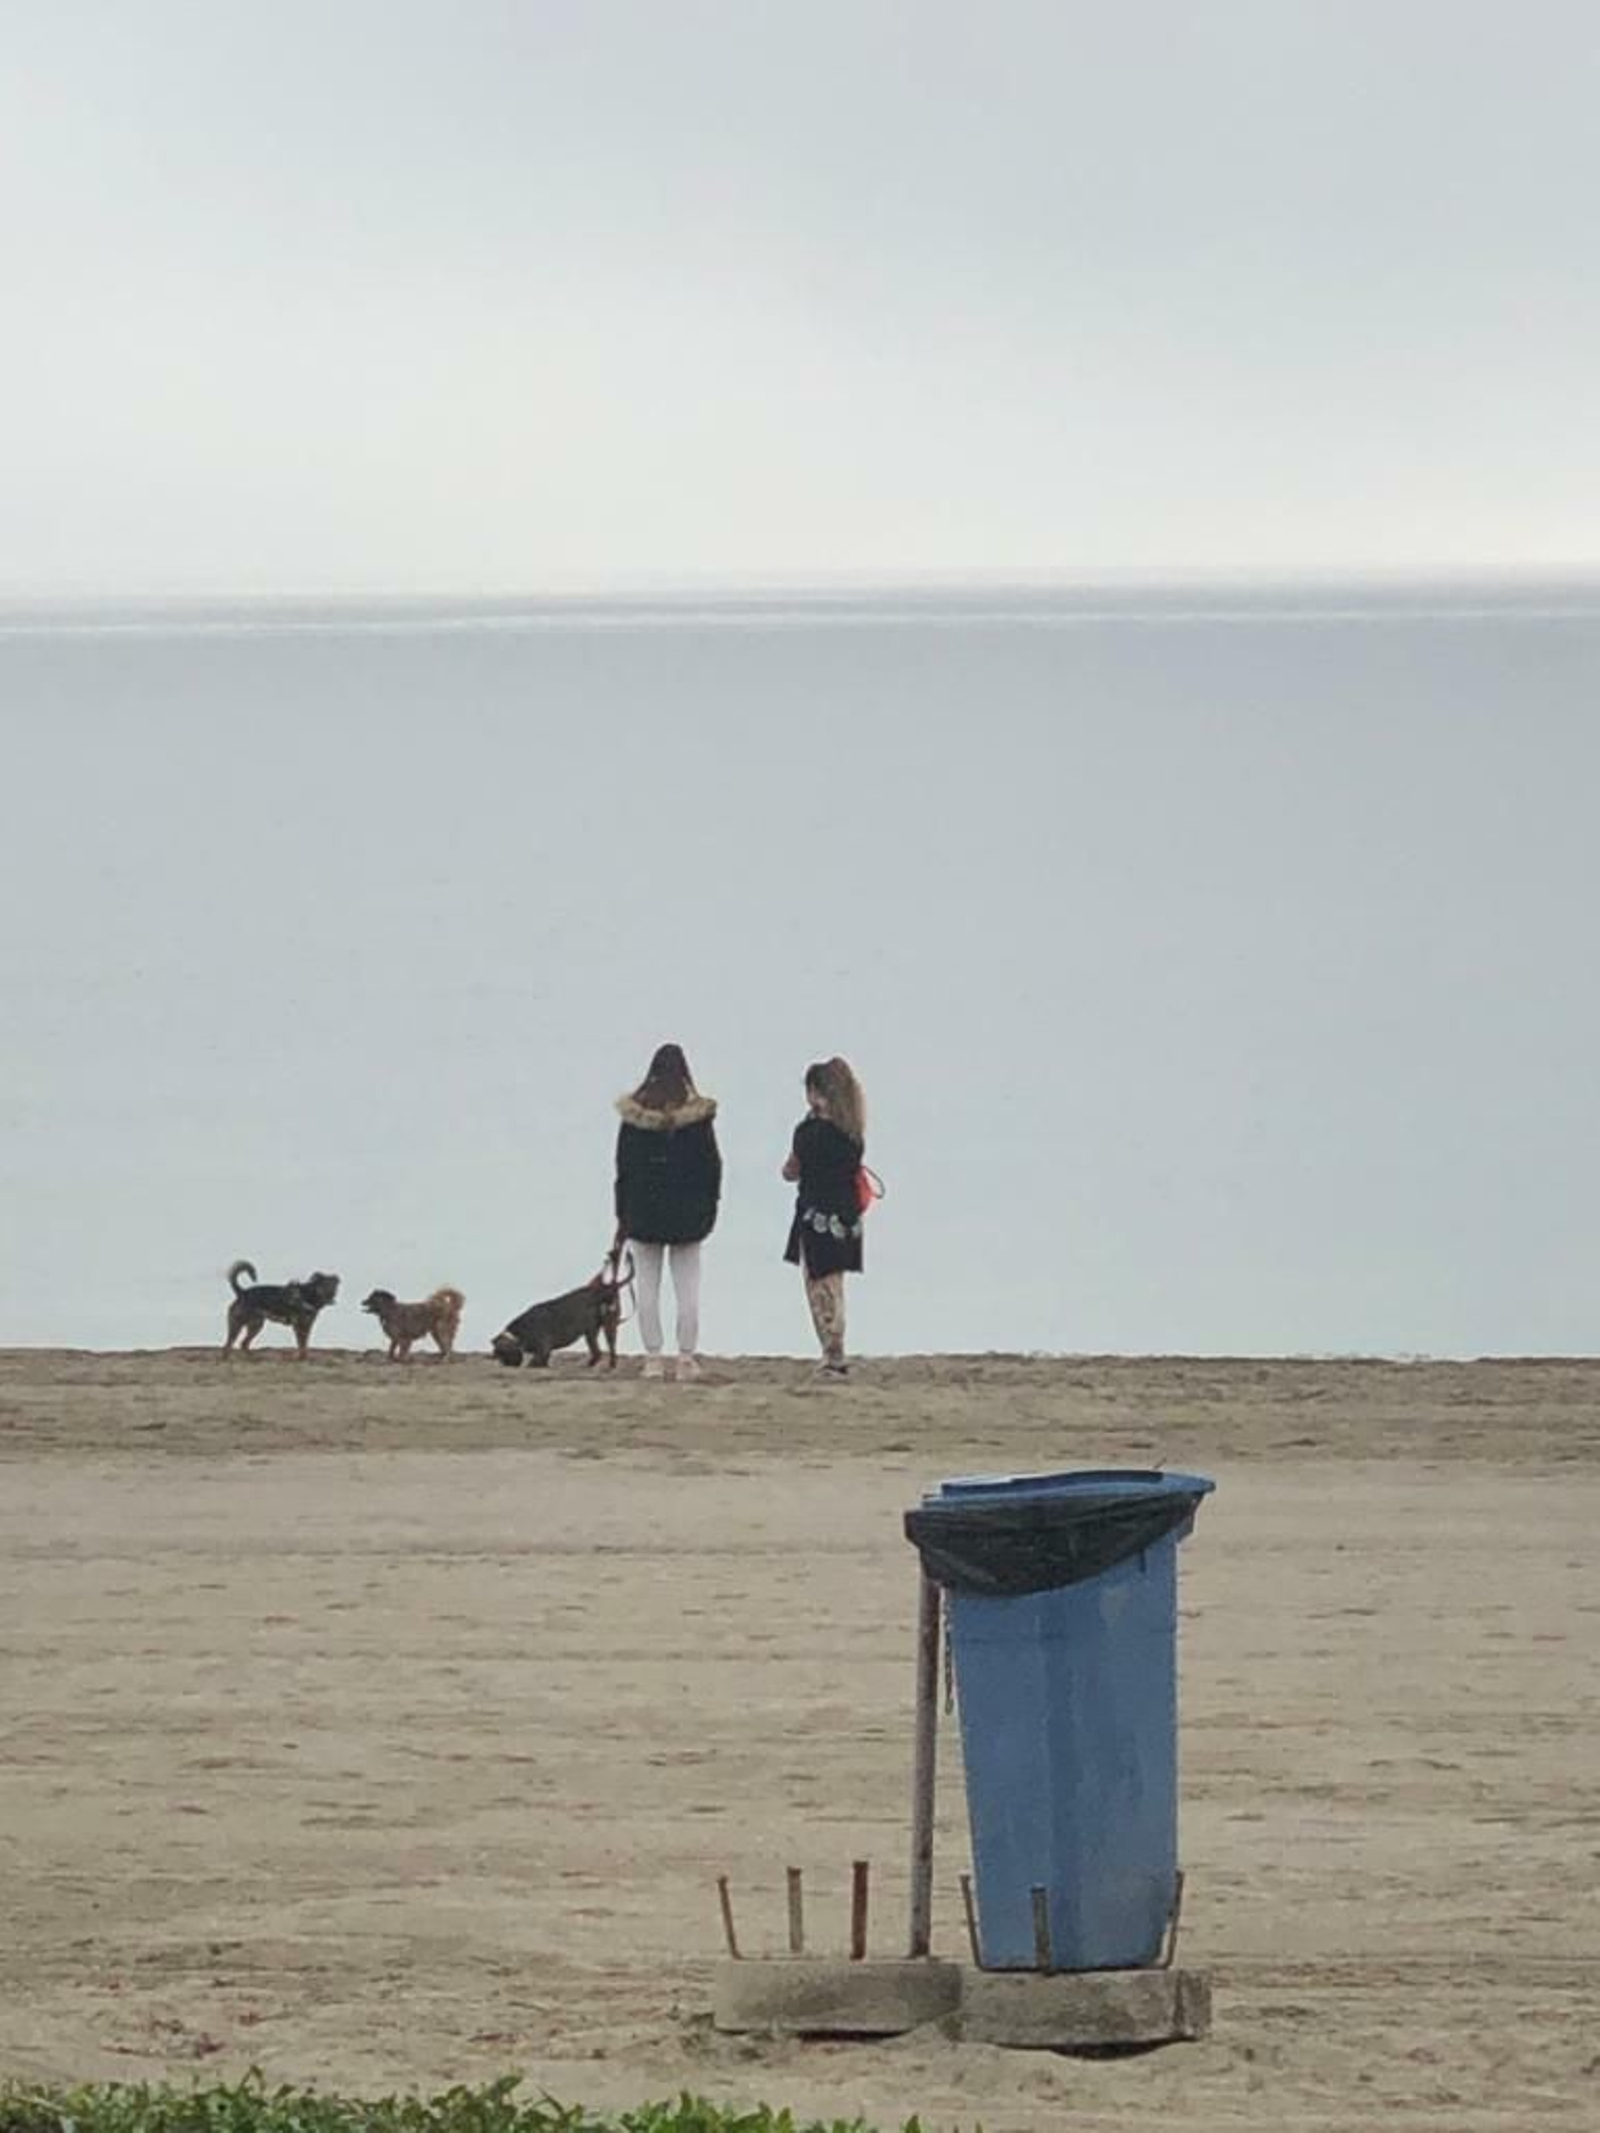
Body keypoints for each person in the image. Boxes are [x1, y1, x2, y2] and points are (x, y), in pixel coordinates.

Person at [614, 1043, 721, 1380]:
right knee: (688, 1288)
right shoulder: (698, 1120)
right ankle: (686, 1358)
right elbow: (712, 1167)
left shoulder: (634, 1119)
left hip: (644, 1213)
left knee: (647, 1286)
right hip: (688, 1215)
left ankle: (653, 1358)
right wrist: (710, 1206)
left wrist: (622, 1214)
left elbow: (624, 1170)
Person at [782, 1055, 866, 1377]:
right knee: (835, 1285)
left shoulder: (808, 1132)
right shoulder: (853, 1133)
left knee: (819, 1285)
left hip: (815, 1214)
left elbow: (793, 1169)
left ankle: (833, 1353)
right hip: (846, 1215)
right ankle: (836, 1350)